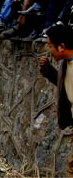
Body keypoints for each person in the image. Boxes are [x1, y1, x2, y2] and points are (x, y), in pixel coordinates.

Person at [39, 24, 73, 175]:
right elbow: (64, 86)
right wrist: (48, 70)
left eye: (51, 46)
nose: (49, 51)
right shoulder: (65, 64)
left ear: (62, 47)